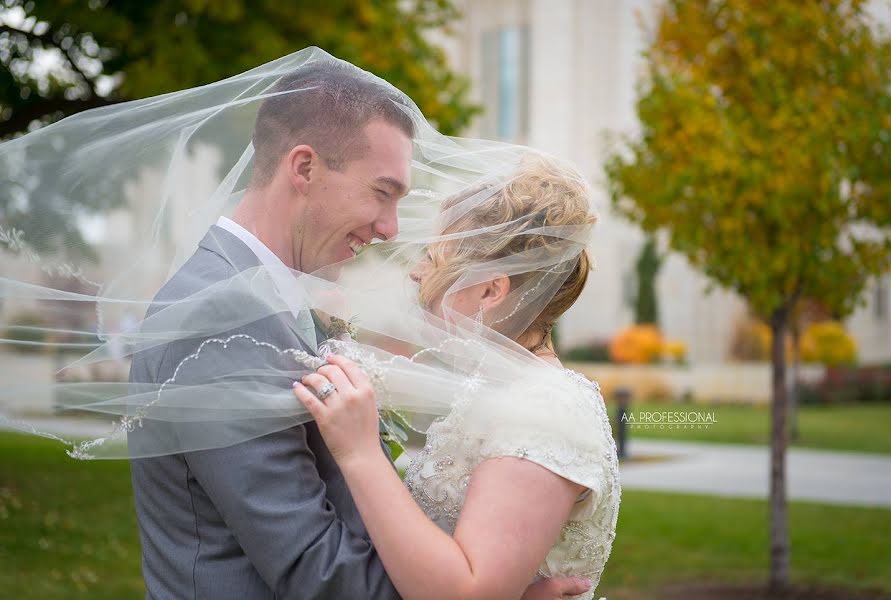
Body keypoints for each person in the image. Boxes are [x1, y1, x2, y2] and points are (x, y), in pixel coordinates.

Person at [124, 53, 591, 600]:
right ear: (304, 168)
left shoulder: (266, 298)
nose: (392, 229)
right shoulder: (219, 316)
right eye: (382, 192)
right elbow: (315, 569)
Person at [294, 154, 621, 600]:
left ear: (490, 290)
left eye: (434, 258)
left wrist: (360, 452)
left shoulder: (545, 409)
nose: (416, 271)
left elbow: (468, 592)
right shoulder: (504, 392)